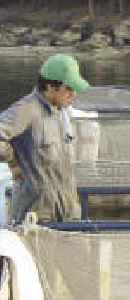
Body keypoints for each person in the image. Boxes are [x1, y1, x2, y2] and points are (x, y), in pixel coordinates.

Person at [0, 53, 90, 223]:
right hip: (35, 217)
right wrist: (13, 162)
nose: (73, 94)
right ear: (50, 86)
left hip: (68, 212)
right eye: (68, 88)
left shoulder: (63, 111)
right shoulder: (26, 109)